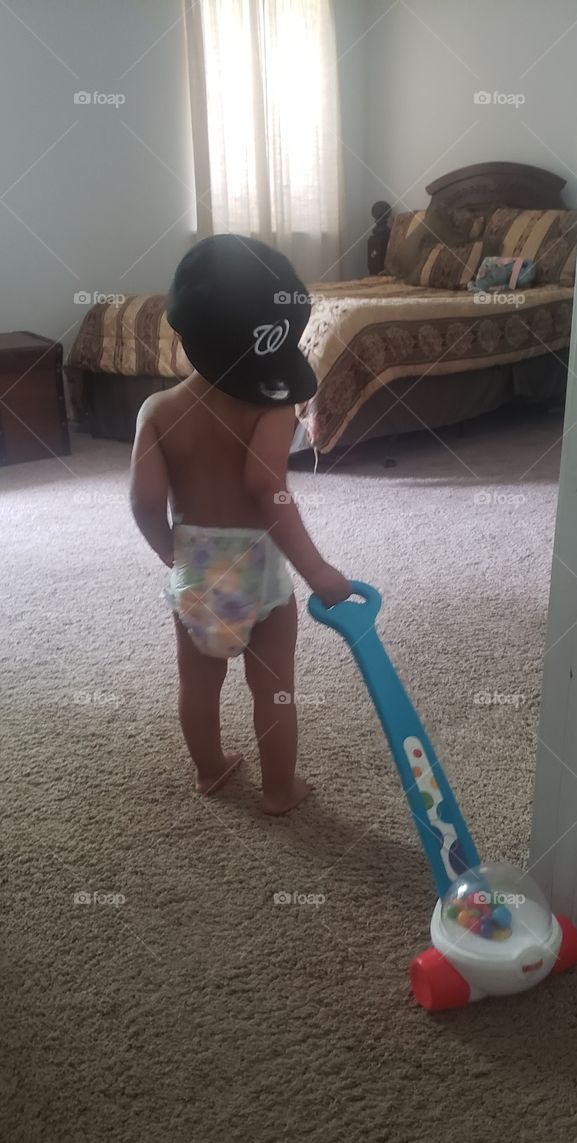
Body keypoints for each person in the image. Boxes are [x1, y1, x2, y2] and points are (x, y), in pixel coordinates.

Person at [130, 234, 351, 814]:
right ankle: (279, 789)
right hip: (257, 573)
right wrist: (317, 569)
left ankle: (211, 771)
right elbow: (265, 487)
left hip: (196, 568)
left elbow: (145, 501)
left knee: (197, 687)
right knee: (274, 687)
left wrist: (170, 554)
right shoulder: (273, 406)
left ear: (183, 333)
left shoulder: (157, 411)